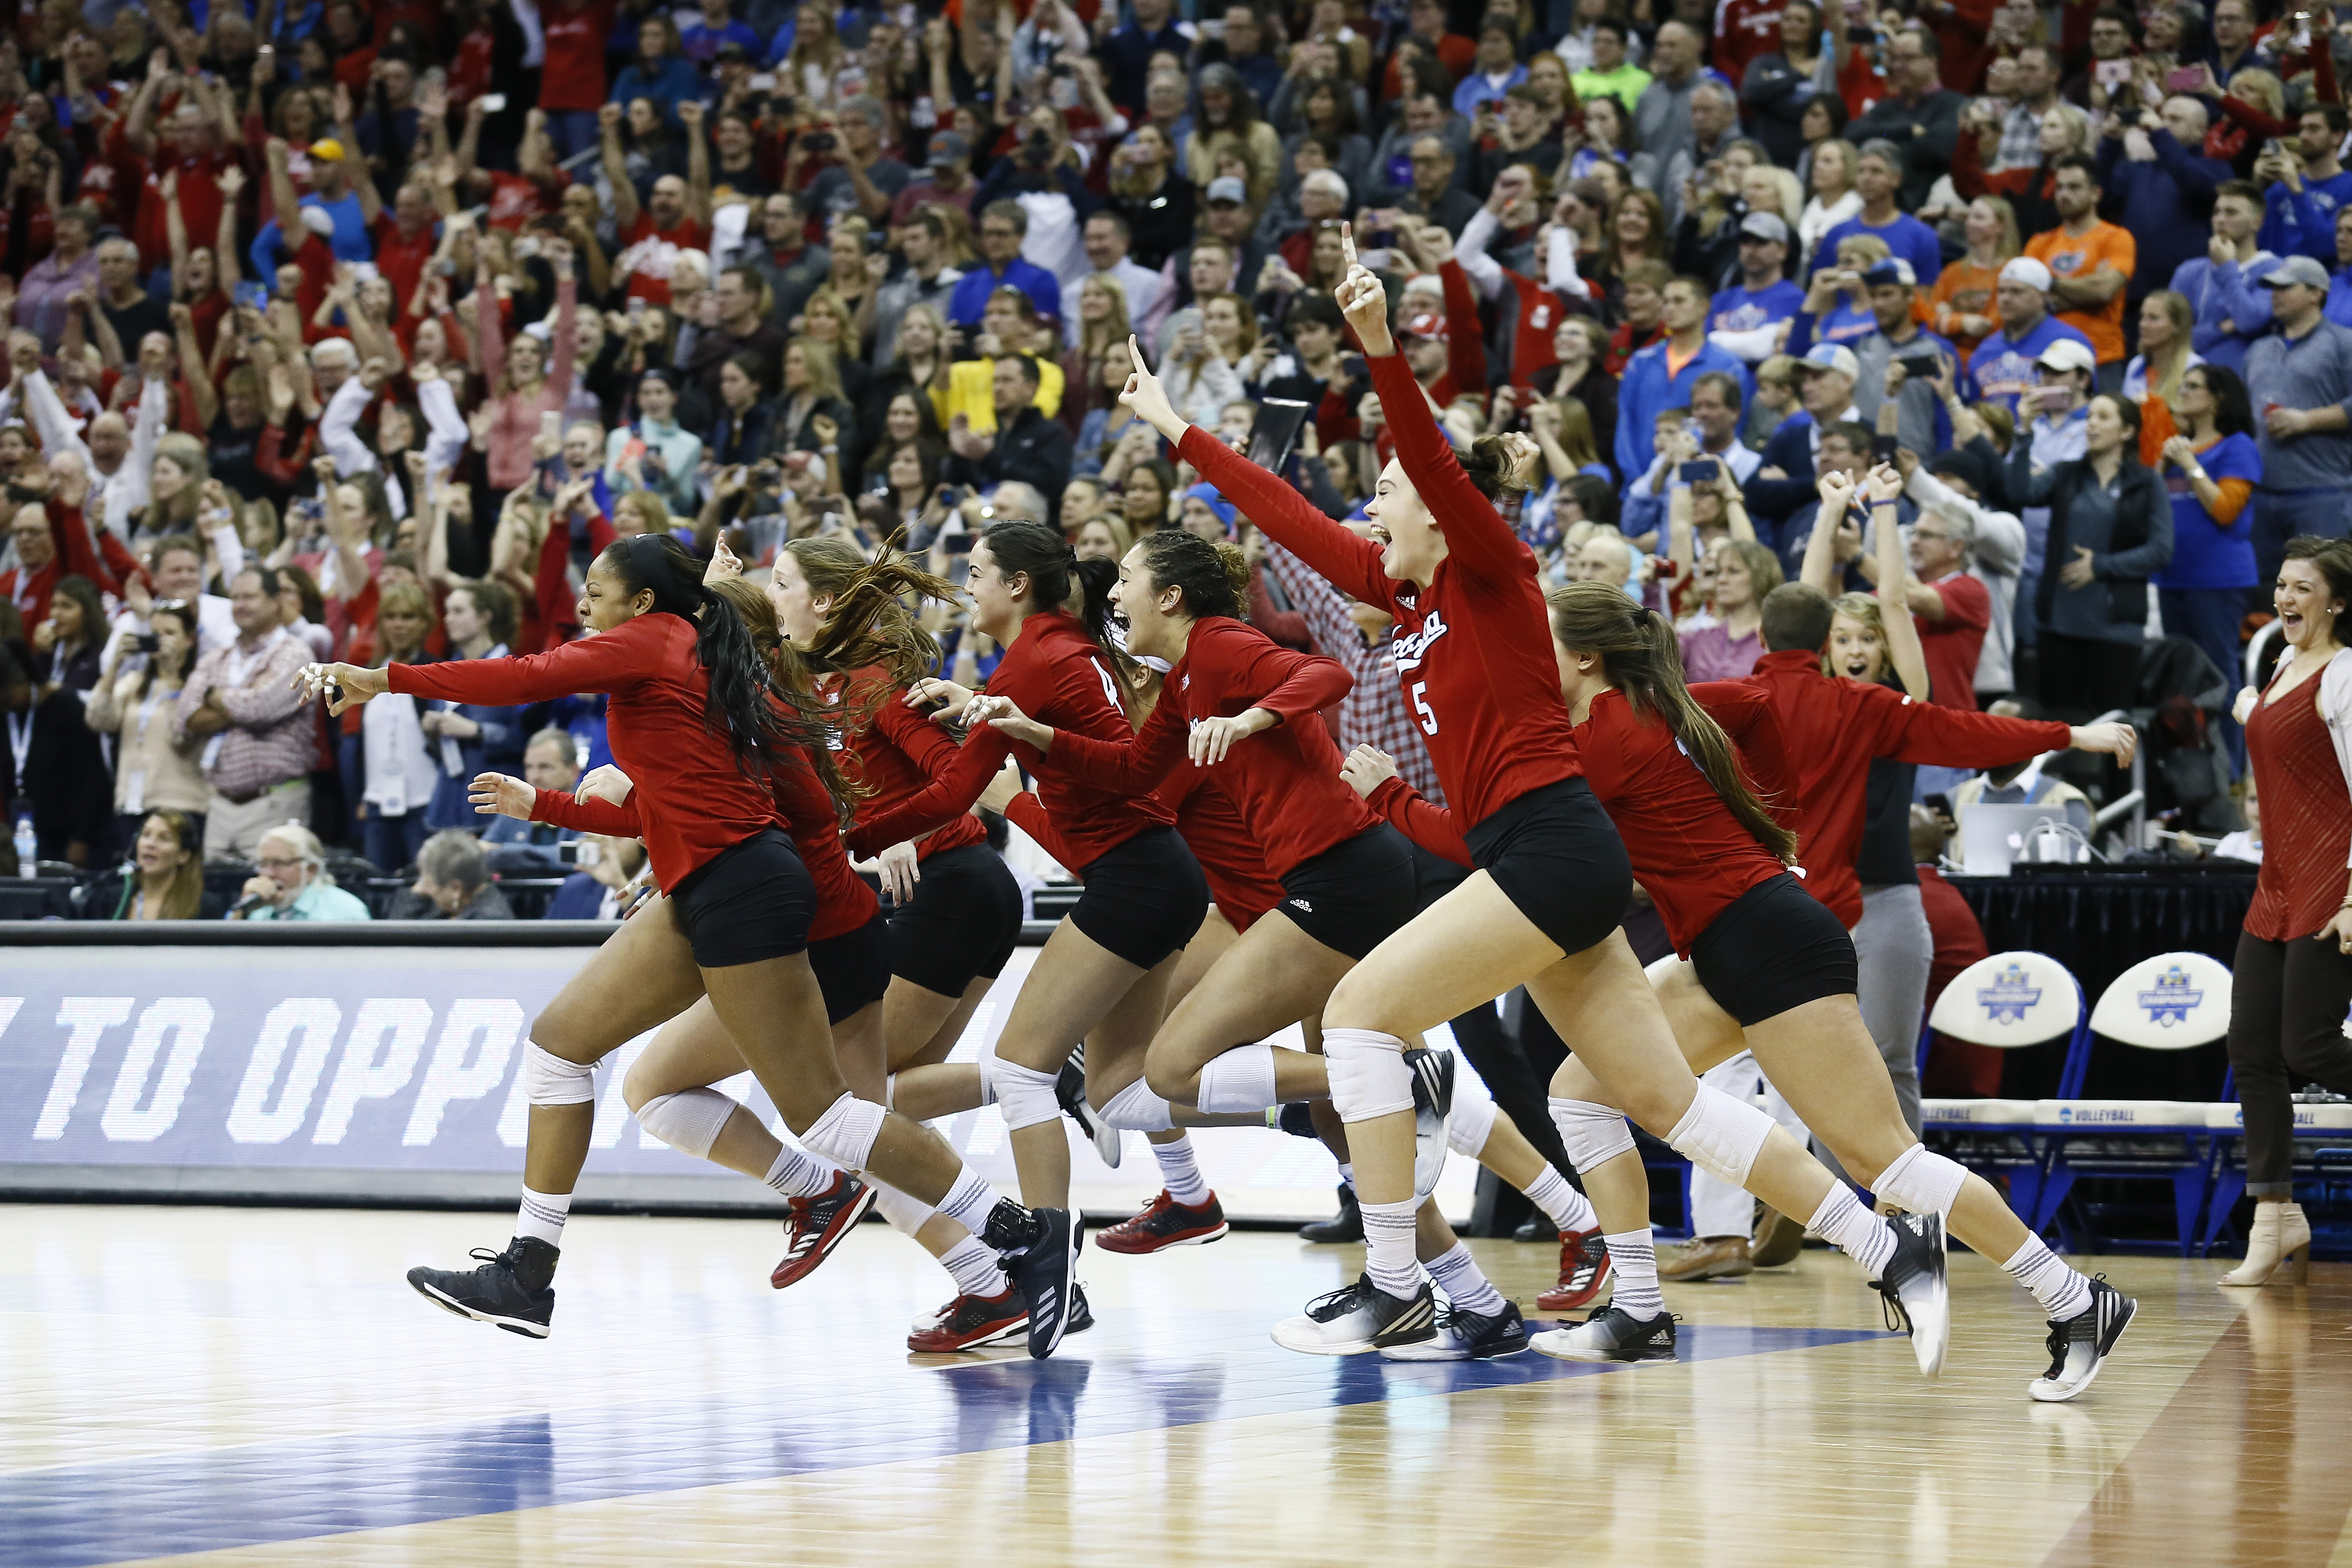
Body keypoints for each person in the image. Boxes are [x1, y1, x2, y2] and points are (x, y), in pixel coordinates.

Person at [1151, 238, 1940, 1369]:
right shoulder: (1406, 594)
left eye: (1385, 495)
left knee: (1365, 1016)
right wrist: (1179, 428)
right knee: (1657, 1097)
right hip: (1536, 852)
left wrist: (1381, 350)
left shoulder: (1489, 567)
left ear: (1439, 506)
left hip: (1553, 844)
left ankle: (1394, 1281)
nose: (1372, 511)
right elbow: (1288, 518)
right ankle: (1877, 1244)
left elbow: (1424, 449)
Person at [303, 533, 1068, 1348]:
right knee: (562, 1046)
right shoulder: (730, 675)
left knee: (834, 1118)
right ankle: (527, 1267)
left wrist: (384, 676)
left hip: (750, 889)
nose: (582, 603)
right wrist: (559, 806)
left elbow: (529, 675)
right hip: (743, 887)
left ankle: (1019, 1229)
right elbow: (785, 809)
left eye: (596, 588)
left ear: (642, 603)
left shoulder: (660, 641)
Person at [2221, 535, 2352, 1286]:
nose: (2285, 598)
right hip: (2275, 881)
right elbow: (2270, 726)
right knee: (2250, 1051)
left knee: (2308, 1049)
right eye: (2280, 585)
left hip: (2331, 881)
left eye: (2303, 587)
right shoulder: (2278, 668)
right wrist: (2251, 706)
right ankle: (2274, 1216)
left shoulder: (2342, 675)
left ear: (2334, 600)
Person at [2007, 394, 2173, 719]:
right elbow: (2019, 493)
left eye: (2103, 417)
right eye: (2090, 417)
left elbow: (2161, 550)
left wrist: (2100, 565)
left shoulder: (2147, 483)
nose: (2092, 424)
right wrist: (2024, 432)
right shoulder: (2066, 474)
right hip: (2059, 622)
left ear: (2127, 431)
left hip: (2116, 627)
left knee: (2113, 729)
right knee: (2058, 726)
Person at [2157, 365, 2264, 764]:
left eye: (2194, 386)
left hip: (2217, 580)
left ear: (2218, 397)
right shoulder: (2174, 448)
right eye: (2181, 384)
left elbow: (2225, 510)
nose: (2183, 391)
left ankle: (2235, 771)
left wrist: (2189, 464)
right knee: (2178, 683)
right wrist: (2163, 466)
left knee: (2219, 676)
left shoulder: (2236, 446)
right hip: (2171, 577)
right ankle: (2191, 776)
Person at [175, 565, 315, 861]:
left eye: (249, 597)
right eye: (234, 598)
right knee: (213, 897)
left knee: (274, 888)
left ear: (276, 601)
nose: (239, 605)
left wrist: (214, 698)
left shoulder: (296, 653)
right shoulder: (217, 657)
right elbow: (186, 717)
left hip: (275, 800)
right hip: (220, 803)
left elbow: (260, 707)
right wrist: (241, 700)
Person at [2244, 255, 2352, 588]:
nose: (2275, 295)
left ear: (2316, 293)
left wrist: (2307, 421)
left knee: (2323, 589)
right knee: (2263, 595)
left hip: (2321, 490)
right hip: (2261, 491)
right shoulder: (2258, 349)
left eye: (2285, 287)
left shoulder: (2343, 343)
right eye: (2272, 288)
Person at [88, 597, 208, 854]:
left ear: (189, 640)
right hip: (131, 801)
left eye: (170, 633)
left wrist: (173, 676)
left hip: (180, 802)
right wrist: (115, 666)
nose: (161, 640)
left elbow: (181, 737)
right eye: (155, 633)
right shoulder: (135, 683)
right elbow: (97, 719)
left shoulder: (199, 686)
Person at [1615, 275, 1754, 482]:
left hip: (1698, 483)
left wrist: (1702, 476)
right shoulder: (1641, 361)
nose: (1670, 308)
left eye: (1679, 301)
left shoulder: (1727, 364)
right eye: (1666, 302)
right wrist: (1636, 479)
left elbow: (1734, 426)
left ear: (1704, 308)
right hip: (1639, 483)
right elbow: (1625, 423)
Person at [2022, 156, 2135, 386]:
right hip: (2048, 358)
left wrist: (2048, 283)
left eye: (2074, 187)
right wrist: (2085, 292)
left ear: (2096, 194)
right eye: (2060, 187)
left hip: (2101, 356)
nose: (2064, 194)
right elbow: (2027, 302)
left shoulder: (2116, 238)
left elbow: (2104, 290)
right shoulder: (2039, 243)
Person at [1962, 257, 2096, 419]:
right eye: (2001, 291)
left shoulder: (2068, 341)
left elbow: (2086, 403)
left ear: (2043, 297)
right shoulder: (1985, 350)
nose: (2006, 299)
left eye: (2017, 291)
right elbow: (1976, 410)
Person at [483, 727, 586, 872]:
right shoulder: (515, 806)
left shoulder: (588, 806)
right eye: (529, 767)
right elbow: (483, 850)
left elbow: (580, 855)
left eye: (545, 767)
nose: (534, 776)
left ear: (574, 771)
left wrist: (503, 852)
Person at [229, 824, 373, 920]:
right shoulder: (254, 906)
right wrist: (243, 911)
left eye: (280, 863)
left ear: (310, 870)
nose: (269, 874)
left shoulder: (346, 912)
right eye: (263, 864)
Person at [98, 808, 218, 921]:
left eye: (164, 838)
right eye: (146, 834)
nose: (150, 844)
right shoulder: (112, 900)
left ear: (184, 855)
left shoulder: (203, 906)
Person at [389, 829, 513, 918]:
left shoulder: (489, 923)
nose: (423, 890)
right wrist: (416, 897)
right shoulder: (443, 906)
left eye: (427, 883)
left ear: (456, 888)